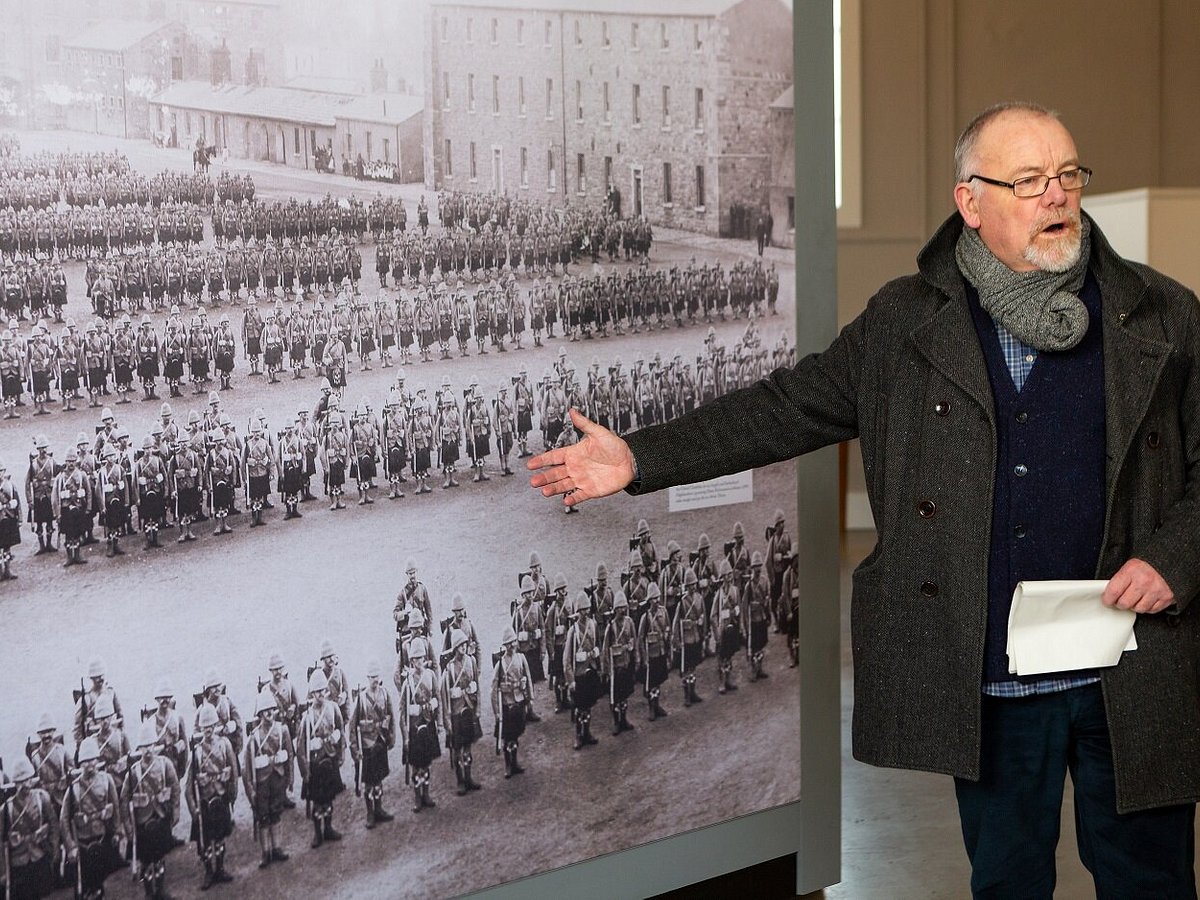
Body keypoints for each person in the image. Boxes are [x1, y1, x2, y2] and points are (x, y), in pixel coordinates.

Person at [527, 102, 1200, 897]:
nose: (1057, 196)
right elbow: (784, 406)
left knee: (1150, 883)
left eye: (1067, 175)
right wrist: (641, 455)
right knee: (1009, 881)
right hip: (990, 677)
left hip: (1130, 666)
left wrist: (1174, 557)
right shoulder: (903, 324)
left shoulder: (1162, 316)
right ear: (971, 203)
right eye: (1028, 180)